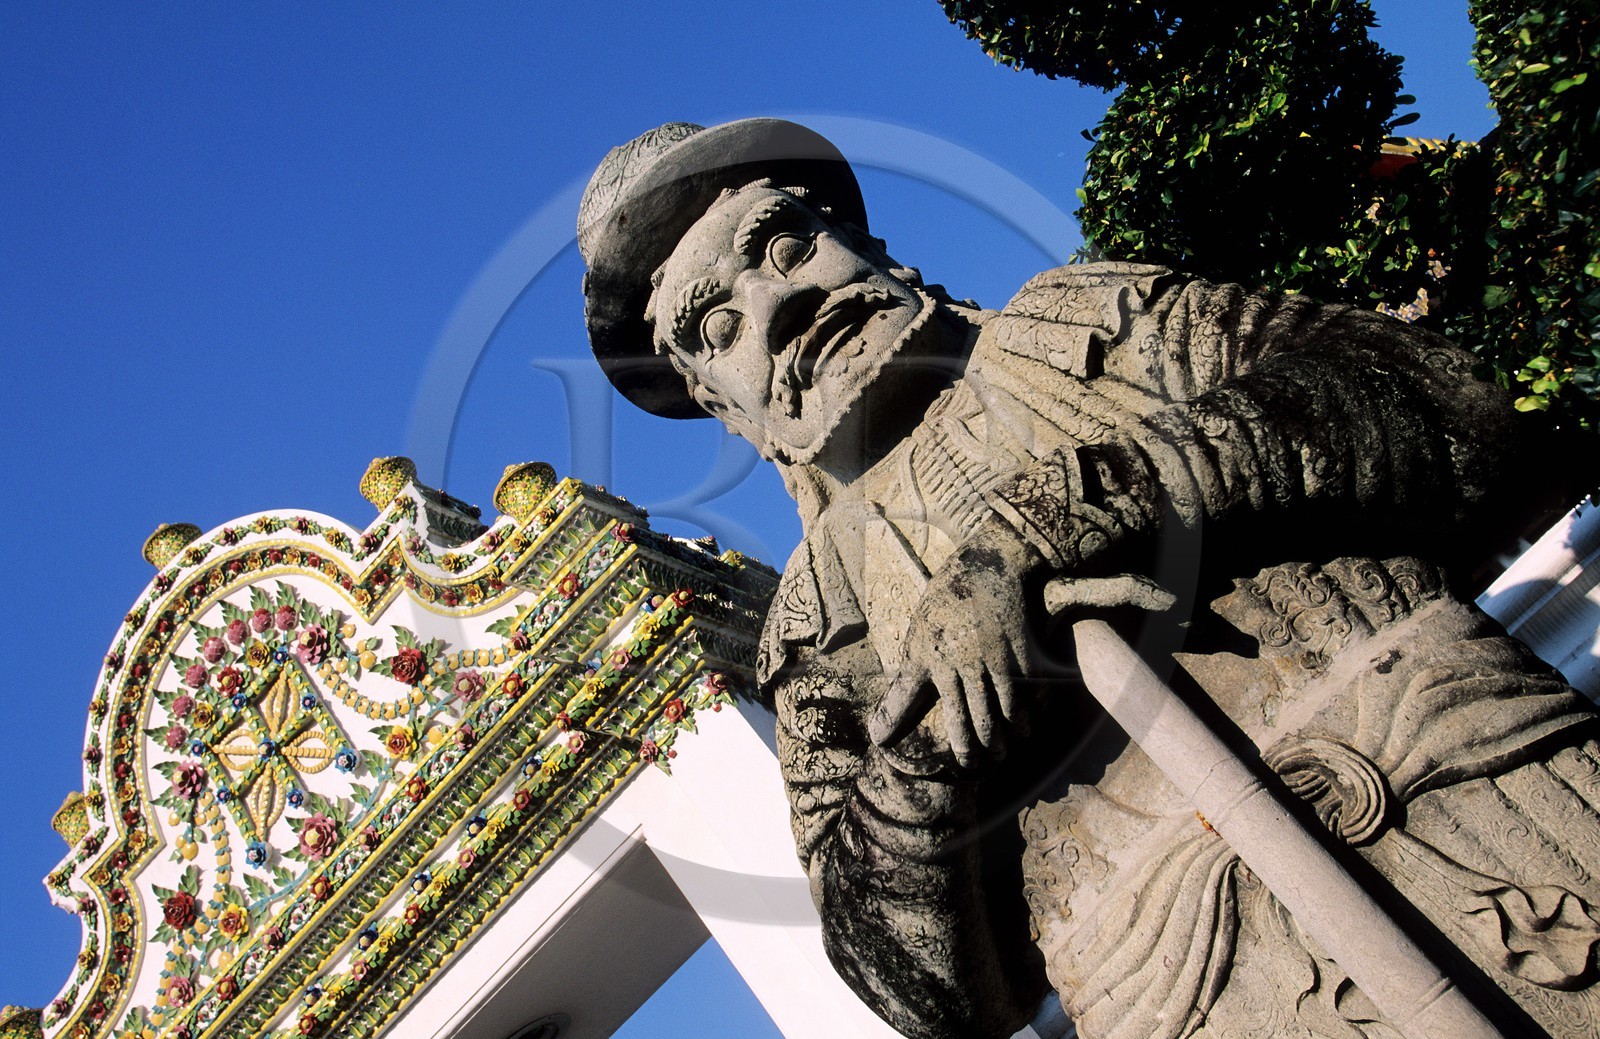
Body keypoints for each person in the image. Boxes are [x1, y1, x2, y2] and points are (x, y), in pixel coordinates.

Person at [579, 119, 1600, 1039]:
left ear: (870, 246)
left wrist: (1071, 516)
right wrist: (938, 726)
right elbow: (916, 988)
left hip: (1485, 803)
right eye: (718, 326)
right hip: (1198, 990)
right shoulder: (814, 635)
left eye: (788, 243)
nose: (784, 300)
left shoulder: (1081, 323)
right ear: (727, 407)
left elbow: (1449, 403)